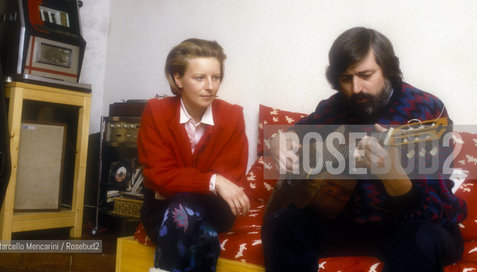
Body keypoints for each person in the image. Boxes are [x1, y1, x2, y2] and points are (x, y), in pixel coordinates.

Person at [261, 27, 467, 272]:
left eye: (365, 75)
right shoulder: (337, 105)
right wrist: (282, 138)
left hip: (411, 227)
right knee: (281, 224)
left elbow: (435, 209)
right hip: (350, 225)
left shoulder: (426, 110)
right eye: (346, 79)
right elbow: (302, 129)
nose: (355, 88)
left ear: (387, 69)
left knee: (420, 238)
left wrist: (396, 180)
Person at [138, 38, 250, 272]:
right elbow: (158, 176)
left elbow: (231, 175)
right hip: (161, 211)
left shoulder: (231, 116)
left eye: (216, 77)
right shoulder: (156, 112)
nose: (210, 86)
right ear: (178, 79)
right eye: (199, 78)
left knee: (183, 204)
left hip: (214, 210)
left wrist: (184, 180)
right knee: (205, 238)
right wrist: (213, 181)